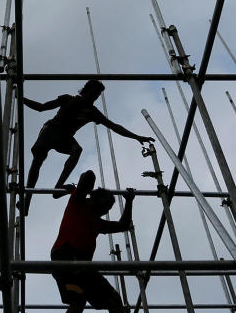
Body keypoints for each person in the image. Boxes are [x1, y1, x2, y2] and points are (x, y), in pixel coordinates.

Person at [49, 169, 164, 313]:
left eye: (110, 207)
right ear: (94, 198)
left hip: (82, 264)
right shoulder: (78, 203)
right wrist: (82, 190)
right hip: (66, 255)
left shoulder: (97, 222)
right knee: (78, 300)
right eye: (105, 204)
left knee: (111, 300)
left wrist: (128, 201)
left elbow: (123, 225)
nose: (106, 209)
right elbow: (88, 175)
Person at [21, 79, 153, 214]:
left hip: (65, 138)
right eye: (93, 93)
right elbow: (41, 107)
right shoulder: (67, 99)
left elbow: (114, 126)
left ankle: (58, 186)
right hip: (51, 131)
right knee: (37, 162)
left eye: (97, 95)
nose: (94, 97)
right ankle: (27, 200)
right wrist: (20, 97)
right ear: (85, 90)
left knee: (77, 150)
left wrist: (137, 137)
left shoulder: (92, 112)